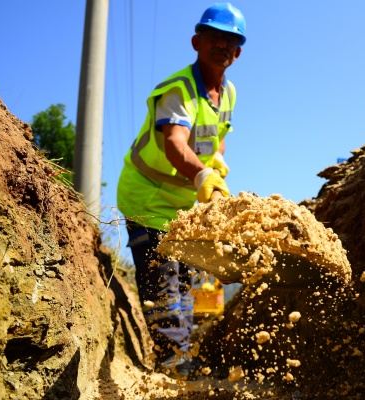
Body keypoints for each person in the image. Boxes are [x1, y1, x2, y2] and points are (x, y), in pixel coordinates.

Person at [116, 3, 245, 379]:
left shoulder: (229, 93)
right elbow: (175, 143)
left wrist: (216, 167)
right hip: (148, 196)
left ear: (238, 52)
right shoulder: (179, 90)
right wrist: (203, 175)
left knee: (187, 279)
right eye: (215, 38)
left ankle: (181, 356)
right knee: (164, 277)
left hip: (182, 205)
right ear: (196, 42)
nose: (222, 46)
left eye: (231, 41)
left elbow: (218, 140)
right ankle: (173, 362)